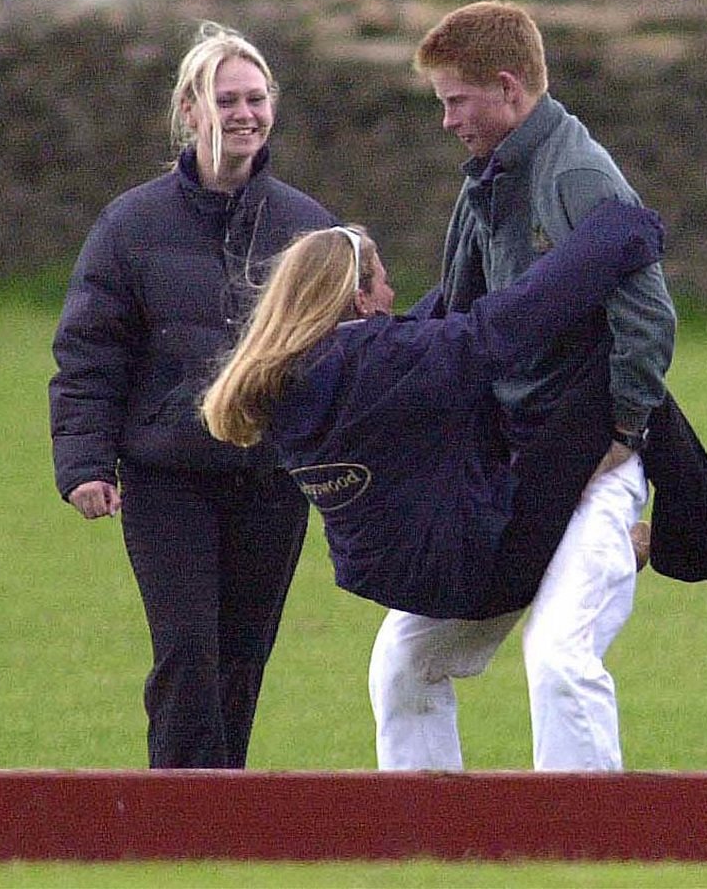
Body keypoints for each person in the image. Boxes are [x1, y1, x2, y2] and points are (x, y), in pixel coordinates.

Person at [202, 202, 673, 771]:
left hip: (413, 576)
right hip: (478, 556)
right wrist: (618, 232)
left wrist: (479, 226)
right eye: (384, 281)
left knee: (401, 669)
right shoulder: (381, 365)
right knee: (555, 655)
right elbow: (498, 327)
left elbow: (428, 326)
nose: (394, 293)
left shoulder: (287, 380)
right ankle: (698, 533)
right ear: (359, 300)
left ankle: (422, 836)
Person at [412, 0, 707, 593]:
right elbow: (459, 303)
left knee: (491, 576)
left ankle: (694, 536)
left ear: (506, 88)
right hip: (518, 412)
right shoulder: (491, 174)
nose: (447, 120)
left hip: (561, 413)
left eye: (455, 101)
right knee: (468, 563)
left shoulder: (576, 176)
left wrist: (625, 431)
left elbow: (648, 317)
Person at [48, 21, 336, 769]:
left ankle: (221, 820)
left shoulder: (308, 228)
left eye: (256, 97)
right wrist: (85, 463)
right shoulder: (130, 225)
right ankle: (172, 820)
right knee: (185, 654)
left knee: (242, 661)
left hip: (271, 483)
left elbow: (344, 356)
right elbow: (89, 352)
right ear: (190, 110)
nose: (244, 113)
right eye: (225, 99)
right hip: (166, 477)